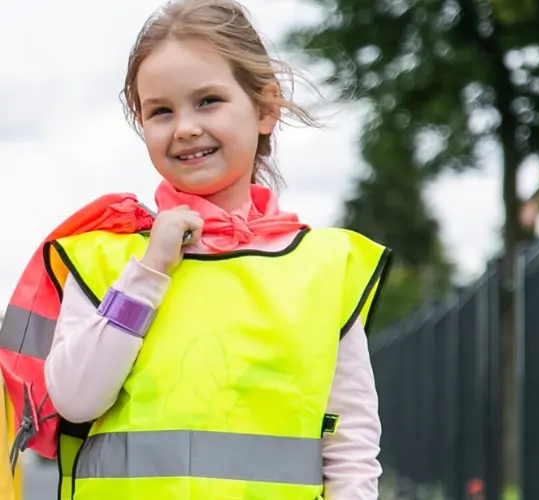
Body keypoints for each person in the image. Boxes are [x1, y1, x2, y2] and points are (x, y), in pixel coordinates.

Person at [39, 0, 391, 499]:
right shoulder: (105, 260)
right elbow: (75, 399)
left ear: (266, 108)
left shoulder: (325, 269)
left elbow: (351, 446)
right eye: (160, 111)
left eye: (207, 101)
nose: (184, 127)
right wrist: (149, 271)